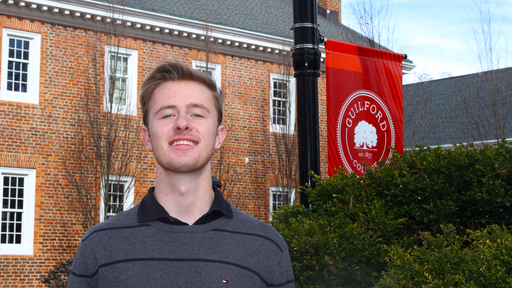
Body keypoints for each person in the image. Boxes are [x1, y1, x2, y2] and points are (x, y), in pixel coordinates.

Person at [68, 61, 295, 287]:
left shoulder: (266, 246)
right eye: (167, 115)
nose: (182, 124)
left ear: (218, 136)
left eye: (197, 114)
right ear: (147, 137)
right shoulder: (99, 247)